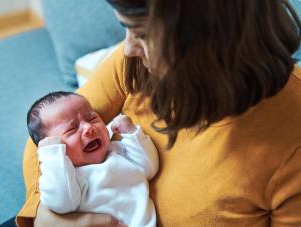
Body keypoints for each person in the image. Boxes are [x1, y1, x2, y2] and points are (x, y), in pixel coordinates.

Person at [16, 0, 301, 226]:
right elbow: (45, 136)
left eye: (141, 34)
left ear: (207, 41)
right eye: (126, 29)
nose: (127, 48)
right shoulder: (136, 66)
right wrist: (45, 216)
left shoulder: (290, 151)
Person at [26, 91, 158, 227]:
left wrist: (131, 133)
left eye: (92, 119)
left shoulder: (118, 150)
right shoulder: (68, 179)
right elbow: (60, 203)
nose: (89, 128)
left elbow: (148, 168)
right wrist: (52, 157)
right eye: (71, 129)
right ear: (56, 147)